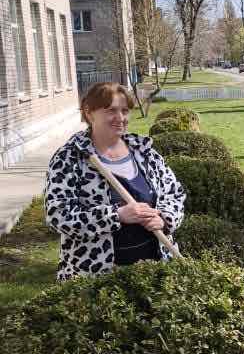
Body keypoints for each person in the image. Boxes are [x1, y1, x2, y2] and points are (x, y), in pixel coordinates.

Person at [46, 83, 186, 281]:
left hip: (156, 273)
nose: (120, 118)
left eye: (125, 110)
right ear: (89, 112)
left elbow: (175, 194)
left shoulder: (144, 152)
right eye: (111, 110)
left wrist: (164, 219)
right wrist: (116, 215)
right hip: (95, 280)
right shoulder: (69, 158)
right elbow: (58, 215)